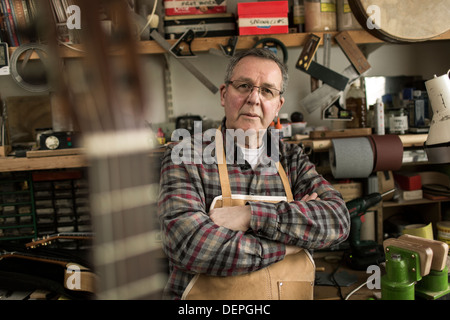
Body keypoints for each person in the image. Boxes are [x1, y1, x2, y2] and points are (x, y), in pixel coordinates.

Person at [158, 48, 350, 300]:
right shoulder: (186, 156)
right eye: (244, 86)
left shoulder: (291, 160)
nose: (254, 99)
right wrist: (289, 245)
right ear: (225, 94)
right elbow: (190, 245)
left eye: (267, 91)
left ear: (278, 105)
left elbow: (336, 220)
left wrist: (249, 215)